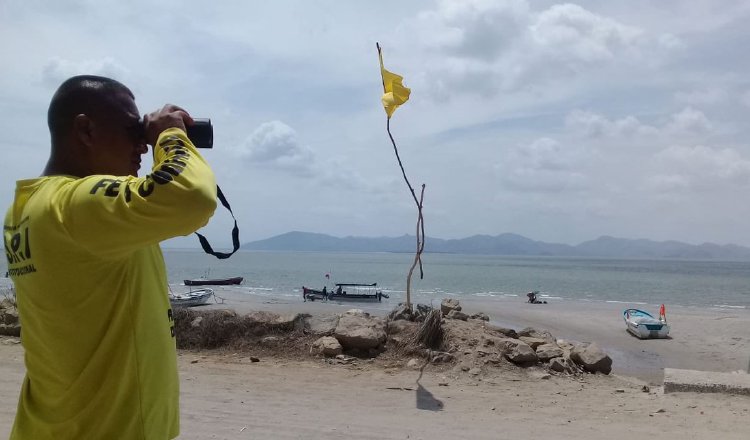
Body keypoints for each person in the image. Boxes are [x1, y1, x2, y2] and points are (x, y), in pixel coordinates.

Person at [2, 75, 217, 439]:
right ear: (85, 130)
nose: (142, 147)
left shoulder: (27, 209)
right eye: (133, 130)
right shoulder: (73, 205)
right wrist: (170, 134)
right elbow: (191, 197)